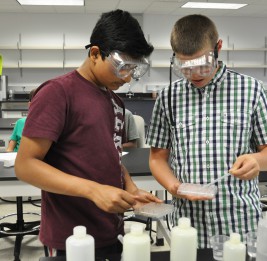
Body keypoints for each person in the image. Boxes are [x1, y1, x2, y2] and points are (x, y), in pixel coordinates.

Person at [15, 9, 161, 259]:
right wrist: (94, 190)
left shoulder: (115, 101)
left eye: (134, 70)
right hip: (71, 237)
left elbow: (111, 155)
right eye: (122, 68)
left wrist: (131, 187)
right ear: (95, 53)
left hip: (110, 231)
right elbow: (26, 165)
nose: (127, 78)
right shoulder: (57, 93)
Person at [146, 14, 267, 248]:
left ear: (218, 47)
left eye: (203, 64)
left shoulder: (251, 90)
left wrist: (257, 160)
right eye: (185, 67)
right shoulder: (168, 98)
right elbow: (157, 158)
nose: (195, 74)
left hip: (239, 222)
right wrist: (174, 187)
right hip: (187, 224)